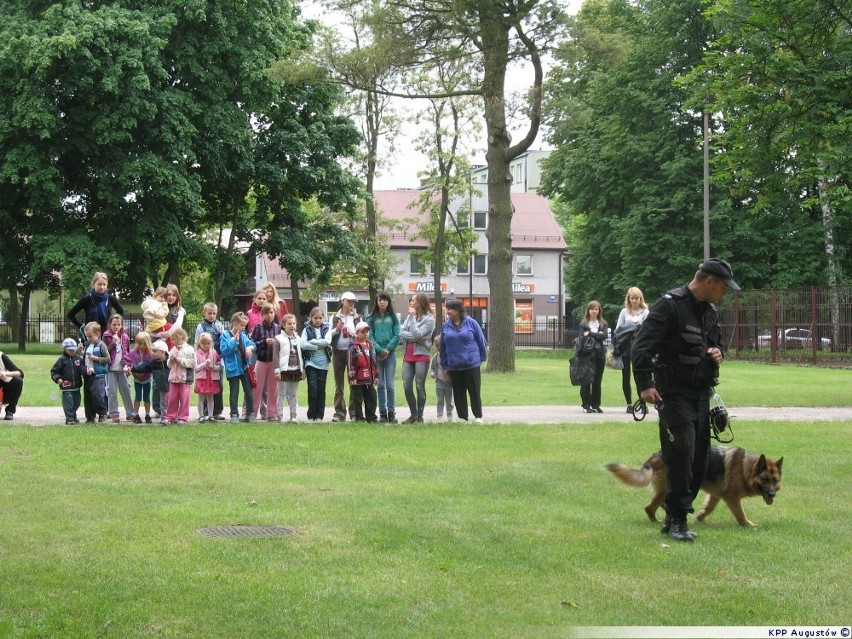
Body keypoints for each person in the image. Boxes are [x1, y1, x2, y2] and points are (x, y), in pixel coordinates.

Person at [631, 258, 740, 542]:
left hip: (701, 393)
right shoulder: (669, 305)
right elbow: (641, 348)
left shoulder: (709, 311)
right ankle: (678, 519)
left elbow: (716, 342)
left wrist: (718, 351)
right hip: (673, 393)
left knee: (700, 459)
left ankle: (672, 513)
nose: (724, 293)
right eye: (723, 287)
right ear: (709, 282)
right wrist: (645, 385)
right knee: (681, 454)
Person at [439, 298, 487, 424]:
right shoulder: (446, 326)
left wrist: (482, 357)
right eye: (447, 309)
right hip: (454, 365)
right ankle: (463, 418)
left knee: (474, 391)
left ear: (458, 310)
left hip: (472, 363)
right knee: (459, 393)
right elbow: (443, 347)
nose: (448, 311)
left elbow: (481, 340)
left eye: (450, 309)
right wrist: (444, 365)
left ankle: (478, 416)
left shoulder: (471, 323)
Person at [399, 293, 435, 424]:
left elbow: (417, 334)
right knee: (407, 385)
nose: (410, 302)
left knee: (419, 386)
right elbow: (401, 332)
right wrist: (416, 337)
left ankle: (420, 416)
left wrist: (413, 321)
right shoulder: (410, 316)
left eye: (413, 300)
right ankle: (413, 414)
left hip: (421, 355)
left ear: (419, 302)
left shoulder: (429, 319)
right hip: (408, 355)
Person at [366, 291, 400, 423]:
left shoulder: (393, 318)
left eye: (385, 300)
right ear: (376, 302)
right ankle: (383, 414)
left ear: (388, 302)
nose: (382, 302)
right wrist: (380, 350)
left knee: (390, 386)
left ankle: (392, 413)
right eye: (380, 300)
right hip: (377, 356)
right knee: (380, 385)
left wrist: (387, 349)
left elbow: (397, 335)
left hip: (390, 356)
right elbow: (370, 336)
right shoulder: (371, 318)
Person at [615, 287, 650, 413]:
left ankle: (642, 403)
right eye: (632, 298)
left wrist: (638, 332)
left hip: (639, 347)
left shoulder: (645, 312)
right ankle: (629, 404)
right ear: (628, 299)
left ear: (640, 299)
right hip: (626, 346)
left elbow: (648, 330)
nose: (634, 300)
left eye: (637, 298)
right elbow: (618, 329)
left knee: (638, 375)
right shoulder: (624, 312)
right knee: (626, 376)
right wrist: (630, 330)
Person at [329, 291, 361, 422]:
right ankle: (339, 413)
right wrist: (337, 329)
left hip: (352, 353)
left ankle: (354, 413)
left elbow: (363, 334)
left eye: (353, 302)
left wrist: (355, 335)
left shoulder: (357, 318)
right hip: (338, 352)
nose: (351, 304)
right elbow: (328, 335)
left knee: (353, 382)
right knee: (339, 384)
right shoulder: (334, 318)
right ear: (342, 302)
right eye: (349, 301)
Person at [220, 312, 256, 423]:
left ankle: (250, 413)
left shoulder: (244, 335)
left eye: (245, 326)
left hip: (244, 368)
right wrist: (234, 342)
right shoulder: (225, 336)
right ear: (235, 324)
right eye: (242, 325)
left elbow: (253, 344)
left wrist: (250, 347)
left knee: (249, 392)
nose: (243, 328)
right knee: (234, 392)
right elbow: (224, 350)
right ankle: (234, 414)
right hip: (233, 369)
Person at [67, 272, 124, 340]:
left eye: (104, 284)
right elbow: (70, 314)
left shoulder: (110, 299)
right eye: (99, 284)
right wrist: (82, 327)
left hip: (106, 336)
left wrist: (113, 322)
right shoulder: (87, 299)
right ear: (94, 284)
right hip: (90, 337)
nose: (102, 287)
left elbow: (121, 312)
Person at [194, 302, 226, 421]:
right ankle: (204, 413)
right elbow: (197, 341)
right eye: (209, 313)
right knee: (204, 389)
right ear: (205, 313)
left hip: (216, 357)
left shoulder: (219, 324)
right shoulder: (201, 326)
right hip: (204, 358)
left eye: (214, 313)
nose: (212, 316)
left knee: (218, 385)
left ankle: (217, 411)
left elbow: (223, 338)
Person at [300, 307, 331, 423]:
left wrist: (312, 342)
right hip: (310, 362)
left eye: (320, 318)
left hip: (323, 363)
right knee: (313, 389)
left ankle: (319, 416)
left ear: (323, 318)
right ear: (310, 318)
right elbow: (302, 344)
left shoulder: (327, 328)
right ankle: (311, 415)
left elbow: (327, 341)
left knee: (321, 390)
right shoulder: (306, 329)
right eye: (315, 318)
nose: (318, 320)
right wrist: (317, 347)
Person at [251, 303, 280, 421]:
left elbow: (281, 343)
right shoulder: (258, 327)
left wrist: (275, 343)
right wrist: (263, 342)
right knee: (256, 387)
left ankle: (271, 414)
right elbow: (252, 343)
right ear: (262, 315)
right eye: (266, 313)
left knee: (273, 389)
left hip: (273, 361)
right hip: (261, 360)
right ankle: (252, 413)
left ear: (274, 313)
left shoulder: (278, 328)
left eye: (271, 312)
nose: (269, 315)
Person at [103, 314, 135, 423]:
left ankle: (130, 413)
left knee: (126, 390)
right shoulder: (106, 336)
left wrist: (129, 365)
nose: (116, 327)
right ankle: (114, 414)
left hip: (122, 369)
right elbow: (104, 351)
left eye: (119, 325)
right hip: (111, 368)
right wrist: (113, 343)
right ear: (110, 325)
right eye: (114, 325)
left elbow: (127, 352)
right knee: (111, 392)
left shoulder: (125, 336)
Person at [273, 314, 304, 423]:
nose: (292, 326)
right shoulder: (278, 339)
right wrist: (277, 370)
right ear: (283, 325)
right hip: (284, 370)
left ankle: (293, 416)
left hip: (295, 369)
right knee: (281, 394)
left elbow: (301, 355)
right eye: (289, 324)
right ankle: (280, 416)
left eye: (294, 323)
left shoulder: (299, 339)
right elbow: (275, 356)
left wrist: (302, 370)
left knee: (293, 394)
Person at [578, 301, 608, 414]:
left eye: (596, 309)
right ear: (588, 310)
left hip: (599, 355)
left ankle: (596, 404)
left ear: (599, 311)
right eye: (592, 309)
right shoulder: (583, 323)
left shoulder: (603, 323)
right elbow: (582, 338)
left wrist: (590, 334)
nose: (594, 311)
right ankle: (586, 404)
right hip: (587, 355)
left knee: (597, 380)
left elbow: (604, 336)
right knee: (586, 380)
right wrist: (597, 334)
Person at [50, 338, 86, 425]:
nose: (72, 352)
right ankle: (69, 418)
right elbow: (54, 371)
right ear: (64, 349)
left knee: (76, 402)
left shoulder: (78, 359)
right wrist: (58, 378)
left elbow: (82, 369)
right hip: (66, 387)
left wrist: (86, 371)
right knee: (68, 403)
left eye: (74, 350)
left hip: (76, 386)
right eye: (70, 350)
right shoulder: (62, 360)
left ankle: (73, 415)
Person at [347, 321, 378, 422]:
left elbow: (374, 362)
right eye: (363, 332)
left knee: (372, 398)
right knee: (357, 399)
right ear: (357, 333)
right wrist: (352, 377)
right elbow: (350, 363)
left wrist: (376, 375)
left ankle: (371, 417)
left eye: (367, 332)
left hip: (369, 378)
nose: (365, 334)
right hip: (358, 379)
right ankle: (359, 418)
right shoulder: (353, 346)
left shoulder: (370, 345)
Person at [122, 330, 155, 424]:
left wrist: (146, 372)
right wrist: (129, 367)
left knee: (147, 397)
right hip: (137, 379)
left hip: (147, 379)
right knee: (138, 396)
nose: (140, 346)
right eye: (138, 343)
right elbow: (125, 360)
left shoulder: (150, 354)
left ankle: (148, 414)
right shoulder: (133, 353)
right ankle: (135, 414)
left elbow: (152, 365)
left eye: (142, 344)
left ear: (147, 343)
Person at [165, 327, 195, 425]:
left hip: (184, 378)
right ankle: (170, 416)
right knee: (172, 398)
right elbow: (168, 364)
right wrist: (171, 360)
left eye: (173, 339)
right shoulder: (173, 349)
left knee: (184, 398)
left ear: (181, 337)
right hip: (173, 378)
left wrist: (181, 360)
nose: (172, 341)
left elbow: (193, 363)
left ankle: (183, 417)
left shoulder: (189, 349)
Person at [81, 322, 110, 423]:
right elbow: (84, 359)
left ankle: (102, 413)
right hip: (88, 374)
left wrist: (96, 358)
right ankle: (90, 416)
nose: (88, 338)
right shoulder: (87, 345)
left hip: (98, 374)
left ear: (98, 333)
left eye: (90, 336)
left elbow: (107, 359)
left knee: (97, 395)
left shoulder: (102, 345)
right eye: (87, 336)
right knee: (88, 396)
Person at [194, 332, 222, 423]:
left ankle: (210, 416)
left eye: (208, 343)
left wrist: (213, 367)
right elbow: (195, 368)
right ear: (199, 344)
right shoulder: (196, 354)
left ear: (211, 343)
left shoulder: (214, 353)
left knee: (211, 398)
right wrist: (203, 365)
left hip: (212, 378)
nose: (206, 345)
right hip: (202, 379)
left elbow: (220, 365)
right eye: (204, 343)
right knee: (201, 398)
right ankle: (201, 415)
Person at [430, 335, 454, 421]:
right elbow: (432, 368)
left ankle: (449, 414)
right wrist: (432, 373)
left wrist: (449, 370)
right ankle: (439, 415)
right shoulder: (435, 357)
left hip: (449, 382)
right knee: (439, 400)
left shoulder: (449, 356)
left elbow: (453, 366)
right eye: (437, 345)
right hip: (439, 381)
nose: (439, 347)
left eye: (441, 345)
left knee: (449, 400)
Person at [149, 340, 170, 422]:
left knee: (168, 399)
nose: (152, 353)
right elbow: (146, 366)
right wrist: (133, 368)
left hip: (169, 383)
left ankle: (168, 415)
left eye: (155, 351)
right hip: (158, 382)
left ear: (162, 352)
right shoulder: (154, 362)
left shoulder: (169, 361)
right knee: (157, 394)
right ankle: (159, 412)